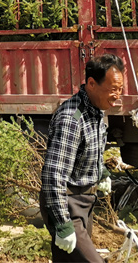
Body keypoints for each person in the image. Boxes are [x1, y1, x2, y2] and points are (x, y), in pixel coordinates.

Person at [39, 54, 125, 263]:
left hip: (86, 201)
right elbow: (54, 175)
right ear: (92, 83)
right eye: (113, 89)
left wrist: (101, 173)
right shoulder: (71, 118)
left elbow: (87, 151)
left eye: (120, 89)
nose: (117, 95)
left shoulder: (96, 111)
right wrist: (62, 223)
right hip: (68, 204)